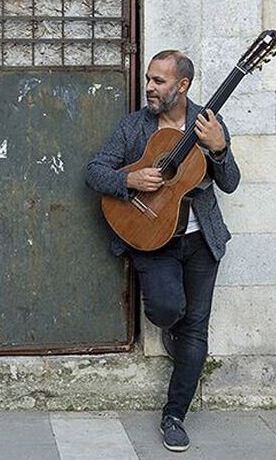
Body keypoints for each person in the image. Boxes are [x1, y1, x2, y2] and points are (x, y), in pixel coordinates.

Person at [85, 50, 240, 452]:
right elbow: (95, 171)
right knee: (170, 310)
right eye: (149, 79)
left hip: (200, 239)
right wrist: (131, 178)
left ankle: (174, 416)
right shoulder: (135, 126)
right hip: (151, 239)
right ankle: (171, 326)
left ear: (182, 86)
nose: (149, 87)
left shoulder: (208, 123)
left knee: (196, 329)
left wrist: (219, 151)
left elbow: (231, 183)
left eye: (159, 81)